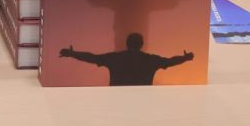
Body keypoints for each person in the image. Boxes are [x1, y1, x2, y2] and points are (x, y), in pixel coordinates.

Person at [59, 33, 194, 85]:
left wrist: (73, 54)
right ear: (142, 44)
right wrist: (185, 58)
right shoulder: (150, 60)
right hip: (143, 104)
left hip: (117, 103)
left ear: (127, 43)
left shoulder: (115, 58)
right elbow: (170, 61)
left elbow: (92, 58)